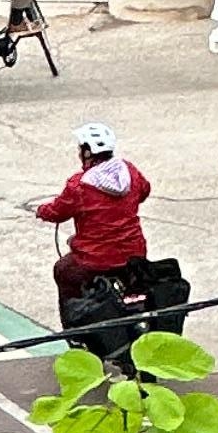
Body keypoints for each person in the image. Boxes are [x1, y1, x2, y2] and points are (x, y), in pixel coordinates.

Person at [31, 123, 152, 330]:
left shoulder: (79, 184)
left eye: (81, 149)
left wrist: (42, 210)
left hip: (94, 259)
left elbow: (58, 211)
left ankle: (73, 328)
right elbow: (144, 191)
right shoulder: (129, 171)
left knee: (63, 271)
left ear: (88, 153)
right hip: (134, 254)